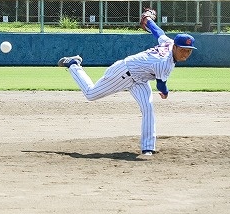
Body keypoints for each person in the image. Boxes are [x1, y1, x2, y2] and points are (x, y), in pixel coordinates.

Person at [57, 8, 196, 156]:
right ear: (175, 47)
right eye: (183, 49)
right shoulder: (164, 63)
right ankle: (74, 65)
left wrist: (148, 20)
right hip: (124, 72)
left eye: (189, 50)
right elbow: (161, 86)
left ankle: (148, 148)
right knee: (91, 94)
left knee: (148, 108)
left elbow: (158, 32)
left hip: (140, 80)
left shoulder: (168, 42)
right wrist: (165, 93)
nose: (185, 54)